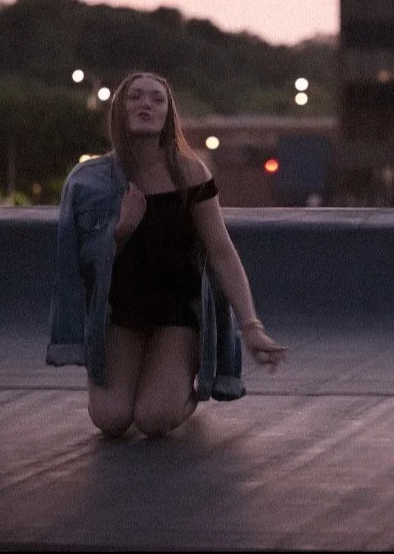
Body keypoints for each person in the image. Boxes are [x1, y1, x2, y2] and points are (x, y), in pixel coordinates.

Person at [47, 71, 286, 439]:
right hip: (122, 314)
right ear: (120, 109)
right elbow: (75, 269)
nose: (146, 104)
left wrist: (251, 327)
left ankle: (183, 391)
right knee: (111, 419)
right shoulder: (88, 182)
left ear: (168, 115)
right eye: (136, 96)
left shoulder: (190, 173)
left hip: (177, 315)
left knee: (154, 418)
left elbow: (221, 251)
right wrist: (119, 233)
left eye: (157, 99)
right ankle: (138, 370)